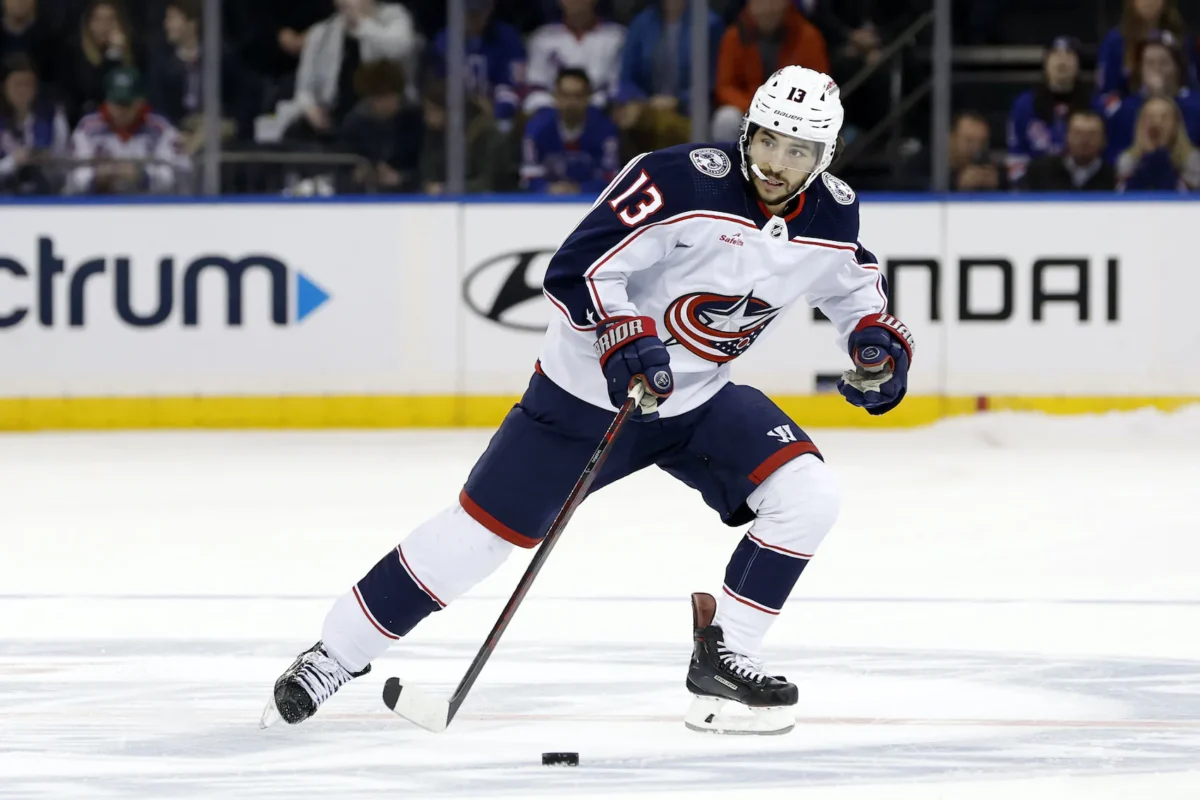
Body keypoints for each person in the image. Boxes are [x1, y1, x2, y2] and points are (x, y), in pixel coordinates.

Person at [261, 65, 914, 737]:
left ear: (825, 156)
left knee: (809, 494)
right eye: (768, 140)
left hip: (699, 403)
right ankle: (335, 655)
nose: (777, 163)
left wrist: (873, 340)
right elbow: (577, 268)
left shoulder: (834, 209)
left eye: (799, 151)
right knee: (480, 539)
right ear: (746, 130)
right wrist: (621, 334)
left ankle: (728, 654)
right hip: (586, 400)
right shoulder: (677, 180)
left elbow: (850, 278)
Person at [292, 0, 417, 141]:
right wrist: (311, 110)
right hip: (334, 116)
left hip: (385, 115)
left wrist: (362, 24)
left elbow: (400, 48)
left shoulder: (394, 17)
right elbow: (303, 88)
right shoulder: (321, 32)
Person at [711, 0, 830, 141]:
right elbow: (726, 86)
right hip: (749, 108)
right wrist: (754, 108)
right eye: (761, 3)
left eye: (774, 2)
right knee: (726, 119)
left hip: (793, 112)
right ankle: (730, 162)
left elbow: (819, 88)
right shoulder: (733, 36)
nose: (768, 8)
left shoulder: (808, 36)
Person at [615, 0, 723, 153]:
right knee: (628, 119)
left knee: (666, 126)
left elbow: (713, 78)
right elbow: (627, 77)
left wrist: (678, 101)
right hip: (647, 107)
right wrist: (640, 100)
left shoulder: (709, 23)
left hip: (689, 109)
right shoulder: (642, 22)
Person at [67, 66, 190, 194]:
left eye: (126, 104)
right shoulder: (88, 128)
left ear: (140, 102)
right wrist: (96, 177)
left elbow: (181, 170)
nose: (121, 111)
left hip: (148, 205)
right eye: (116, 103)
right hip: (98, 204)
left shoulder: (160, 128)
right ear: (107, 101)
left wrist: (142, 176)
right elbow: (73, 175)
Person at [1099, 31, 1200, 163]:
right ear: (1140, 69)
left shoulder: (1196, 105)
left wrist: (1161, 98)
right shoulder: (1124, 109)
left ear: (1177, 68)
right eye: (1149, 63)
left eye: (1164, 62)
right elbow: (1116, 158)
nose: (1156, 69)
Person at [1006, 37, 1094, 185]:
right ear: (1045, 62)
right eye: (1055, 55)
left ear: (1078, 64)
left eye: (1069, 55)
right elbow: (1016, 156)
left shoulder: (1095, 105)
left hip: (1084, 186)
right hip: (1037, 188)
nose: (1062, 61)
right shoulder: (1023, 105)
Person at [430, 0, 526, 134]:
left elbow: (512, 87)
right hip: (455, 115)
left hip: (495, 116)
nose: (473, 17)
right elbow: (438, 87)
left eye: (478, 12)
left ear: (490, 8)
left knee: (506, 125)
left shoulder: (508, 39)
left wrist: (495, 110)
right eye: (469, 11)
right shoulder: (444, 41)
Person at [520, 67, 621, 194]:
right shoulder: (537, 128)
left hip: (590, 202)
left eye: (577, 96)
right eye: (565, 95)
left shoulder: (605, 130)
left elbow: (611, 177)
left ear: (588, 98)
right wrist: (549, 189)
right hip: (547, 201)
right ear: (555, 96)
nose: (571, 103)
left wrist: (580, 189)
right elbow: (529, 175)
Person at [523, 0, 626, 115]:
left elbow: (619, 84)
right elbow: (536, 86)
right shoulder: (542, 38)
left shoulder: (617, 36)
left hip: (601, 108)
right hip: (553, 109)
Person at [338, 60, 422, 193]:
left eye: (388, 97)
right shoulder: (354, 123)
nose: (383, 104)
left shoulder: (415, 120)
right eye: (377, 98)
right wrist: (361, 174)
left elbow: (424, 168)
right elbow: (343, 171)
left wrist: (402, 179)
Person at [61, 0, 137, 126]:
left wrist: (118, 54)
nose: (104, 26)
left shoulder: (135, 52)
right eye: (98, 20)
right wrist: (113, 55)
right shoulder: (75, 54)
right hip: (88, 125)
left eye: (110, 20)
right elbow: (97, 93)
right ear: (89, 23)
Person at [0, 53, 68, 194]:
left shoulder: (53, 115)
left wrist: (49, 159)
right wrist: (12, 161)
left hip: (45, 193)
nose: (23, 91)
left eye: (28, 84)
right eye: (17, 84)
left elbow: (64, 163)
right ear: (4, 87)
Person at [1096, 0, 1196, 96]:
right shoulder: (1115, 41)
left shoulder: (1180, 38)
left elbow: (1192, 86)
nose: (1149, 1)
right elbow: (1105, 95)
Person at [1117, 95, 1200, 191]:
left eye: (1164, 117)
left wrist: (1160, 153)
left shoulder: (1192, 159)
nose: (1157, 123)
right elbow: (1126, 198)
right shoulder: (1128, 160)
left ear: (1176, 124)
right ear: (1140, 124)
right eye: (1150, 117)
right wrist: (1148, 155)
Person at [1020, 110, 1117, 192]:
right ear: (1066, 136)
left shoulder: (1113, 177)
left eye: (1092, 134)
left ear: (1103, 139)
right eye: (1078, 133)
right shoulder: (1039, 170)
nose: (1085, 140)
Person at [950, 111, 1004, 192]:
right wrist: (956, 184)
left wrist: (998, 185)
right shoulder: (930, 166)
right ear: (952, 138)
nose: (976, 148)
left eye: (982, 142)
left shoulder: (990, 166)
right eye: (969, 141)